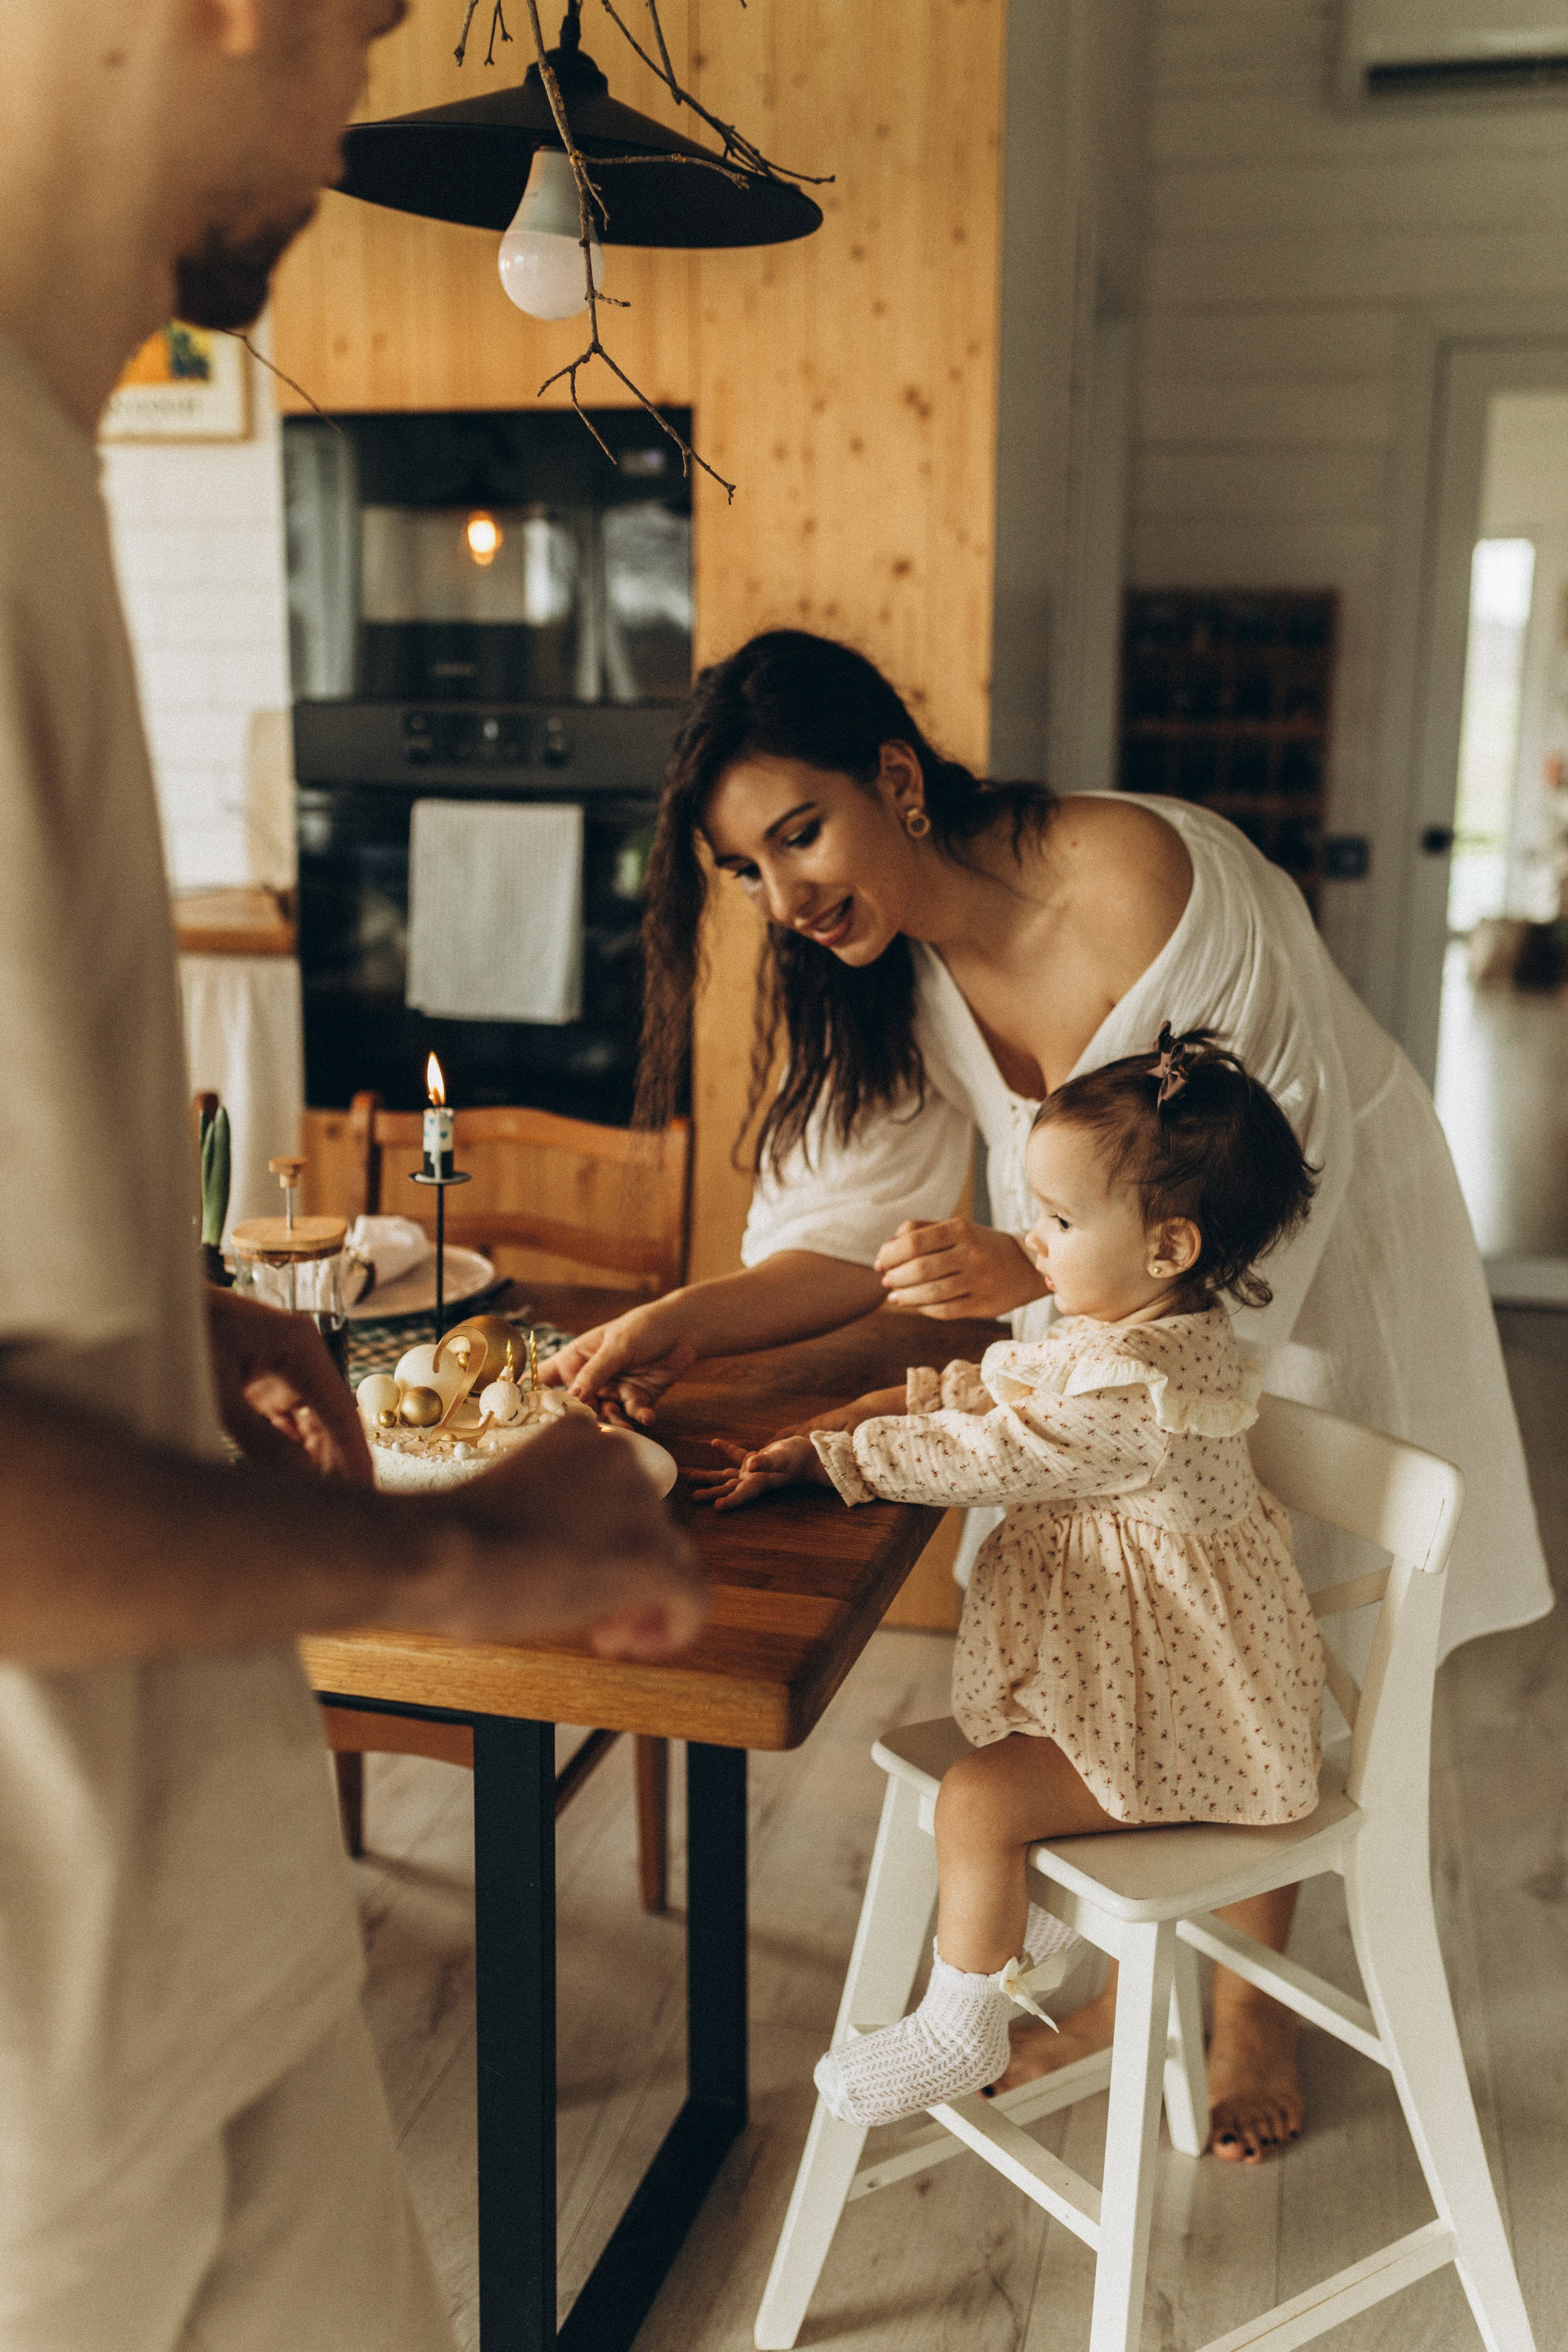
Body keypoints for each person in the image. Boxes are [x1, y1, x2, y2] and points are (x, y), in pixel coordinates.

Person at [0, 7, 706, 2350]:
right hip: (48, 2098)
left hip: (177, 1962)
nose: (349, 112)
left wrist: (152, 1322)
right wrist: (478, 1548)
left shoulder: (40, 470)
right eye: (369, 31)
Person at [545, 627, 1552, 2164]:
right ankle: (1099, 1971)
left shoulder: (1144, 881)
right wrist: (677, 1322)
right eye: (746, 869)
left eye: (799, 833)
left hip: (1297, 1225)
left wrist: (1022, 1277)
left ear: (895, 778)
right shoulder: (878, 972)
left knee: (1261, 1585)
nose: (783, 897)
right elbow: (846, 1236)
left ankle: (1246, 2002)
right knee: (1134, 1600)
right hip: (1103, 1289)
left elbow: (1240, 1199)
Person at [693, 1028, 1326, 2127]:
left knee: (978, 1800)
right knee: (988, 1762)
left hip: (1199, 1726)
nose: (1033, 1239)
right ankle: (1022, 1935)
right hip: (1163, 1680)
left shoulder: (1133, 1393)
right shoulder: (1145, 1330)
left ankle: (959, 2023)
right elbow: (1008, 1385)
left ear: (1169, 1245)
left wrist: (847, 1458)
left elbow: (995, 1451)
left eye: (1061, 1221)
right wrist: (879, 1406)